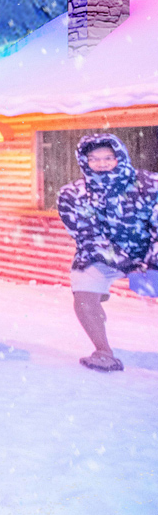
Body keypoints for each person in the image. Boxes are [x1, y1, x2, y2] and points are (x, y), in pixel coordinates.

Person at [56, 134, 158, 372]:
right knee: (83, 294)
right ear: (84, 161)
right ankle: (103, 352)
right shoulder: (72, 194)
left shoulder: (151, 184)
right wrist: (129, 267)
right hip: (103, 256)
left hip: (149, 250)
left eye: (108, 157)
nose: (101, 163)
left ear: (119, 156)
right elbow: (89, 238)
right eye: (94, 158)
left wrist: (153, 265)